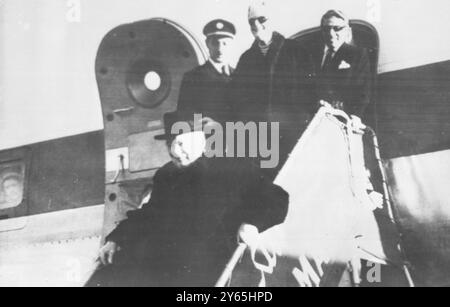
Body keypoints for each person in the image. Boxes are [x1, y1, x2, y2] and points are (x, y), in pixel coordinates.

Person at [90, 112, 289, 287]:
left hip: (209, 267)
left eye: (181, 143)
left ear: (201, 140)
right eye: (170, 144)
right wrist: (116, 238)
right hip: (167, 265)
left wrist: (252, 224)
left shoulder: (231, 167)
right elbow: (149, 214)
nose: (175, 151)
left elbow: (276, 198)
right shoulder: (166, 174)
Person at [229, 0, 316, 176]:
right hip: (260, 139)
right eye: (251, 21)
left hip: (293, 134)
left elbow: (310, 92)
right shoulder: (246, 59)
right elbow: (237, 100)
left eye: (261, 19)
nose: (256, 25)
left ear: (273, 19)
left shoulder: (296, 51)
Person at [314, 10, 372, 121]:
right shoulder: (316, 57)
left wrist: (355, 117)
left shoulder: (357, 55)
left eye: (337, 28)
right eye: (326, 29)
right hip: (320, 119)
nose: (331, 34)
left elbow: (363, 92)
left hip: (345, 120)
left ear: (347, 30)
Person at [177, 19, 236, 124]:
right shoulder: (193, 77)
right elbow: (186, 116)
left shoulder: (239, 75)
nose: (220, 48)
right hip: (207, 137)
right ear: (207, 44)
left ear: (231, 45)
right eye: (215, 43)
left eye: (225, 43)